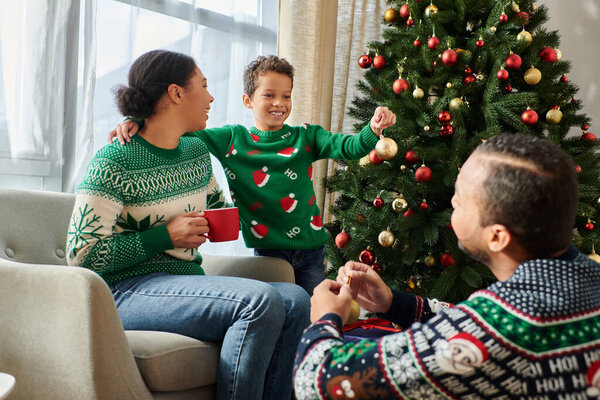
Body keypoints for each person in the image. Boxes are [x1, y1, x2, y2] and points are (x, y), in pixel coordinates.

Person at [66, 49, 310, 400]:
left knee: (295, 298)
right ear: (176, 93)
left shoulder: (194, 154)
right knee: (258, 301)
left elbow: (218, 211)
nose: (211, 97)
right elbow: (82, 256)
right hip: (122, 291)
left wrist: (271, 189)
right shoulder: (114, 159)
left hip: (182, 281)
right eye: (204, 86)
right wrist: (164, 235)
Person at [294, 134, 600, 399]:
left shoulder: (503, 328)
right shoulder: (582, 279)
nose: (451, 201)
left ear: (497, 236)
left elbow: (317, 380)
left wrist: (325, 319)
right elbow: (470, 322)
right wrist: (394, 303)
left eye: (461, 199)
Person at [108, 55, 397, 296]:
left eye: (286, 96)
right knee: (280, 313)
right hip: (268, 251)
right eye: (269, 95)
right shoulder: (232, 139)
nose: (279, 103)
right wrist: (136, 120)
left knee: (312, 314)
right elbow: (178, 128)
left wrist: (372, 129)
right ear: (248, 101)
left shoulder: (307, 136)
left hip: (312, 248)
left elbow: (349, 147)